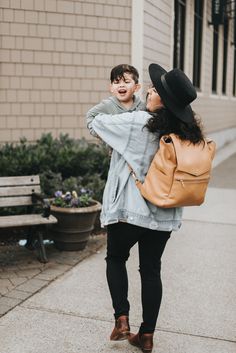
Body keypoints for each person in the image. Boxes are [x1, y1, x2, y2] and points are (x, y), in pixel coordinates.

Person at [87, 63, 205, 353]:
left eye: (154, 90)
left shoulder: (137, 122)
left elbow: (94, 122)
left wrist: (116, 106)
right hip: (164, 213)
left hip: (131, 210)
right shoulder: (189, 134)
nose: (150, 92)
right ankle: (147, 335)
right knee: (151, 270)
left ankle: (122, 320)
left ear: (162, 100)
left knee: (116, 258)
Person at [86, 64, 145, 137]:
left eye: (126, 82)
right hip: (115, 148)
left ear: (136, 87)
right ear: (111, 88)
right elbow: (90, 115)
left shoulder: (143, 107)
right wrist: (99, 133)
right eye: (117, 82)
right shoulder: (108, 105)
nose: (121, 85)